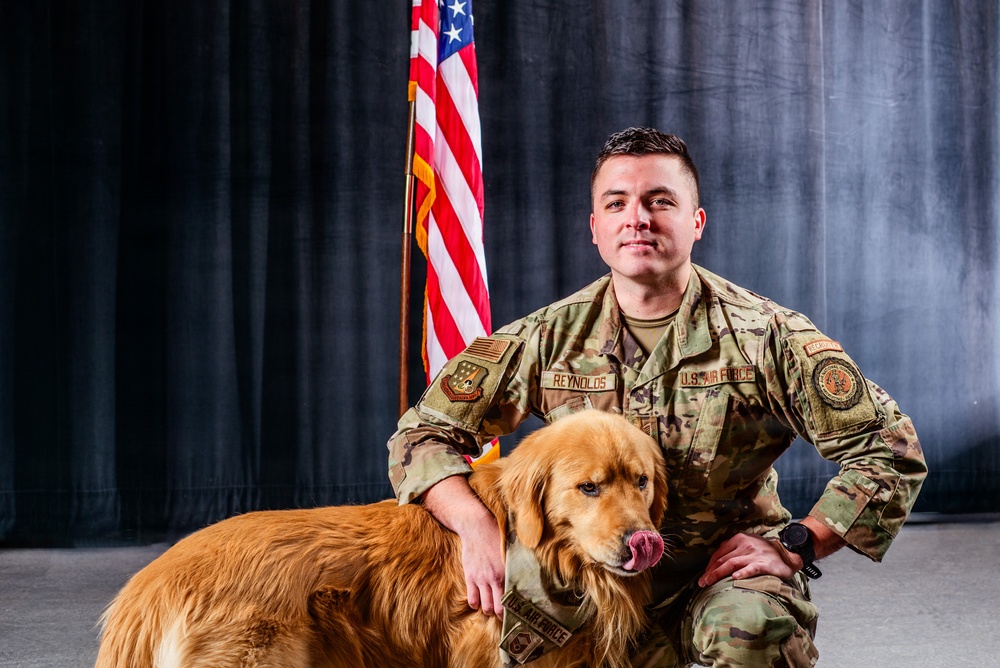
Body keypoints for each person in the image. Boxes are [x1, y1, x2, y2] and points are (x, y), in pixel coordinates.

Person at [387, 127, 927, 667]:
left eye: (660, 201)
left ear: (696, 222)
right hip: (588, 584)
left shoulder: (767, 336)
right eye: (617, 203)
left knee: (754, 631)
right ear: (595, 228)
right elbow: (421, 435)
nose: (637, 218)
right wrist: (475, 526)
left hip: (717, 577)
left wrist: (799, 541)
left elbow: (891, 451)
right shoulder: (544, 339)